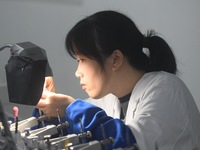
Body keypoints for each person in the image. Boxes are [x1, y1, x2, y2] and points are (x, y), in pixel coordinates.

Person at [34, 10, 200, 150]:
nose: (77, 73)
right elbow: (78, 131)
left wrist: (70, 108)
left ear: (115, 59)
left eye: (82, 60)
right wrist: (51, 113)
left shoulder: (166, 88)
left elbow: (131, 143)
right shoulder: (110, 97)